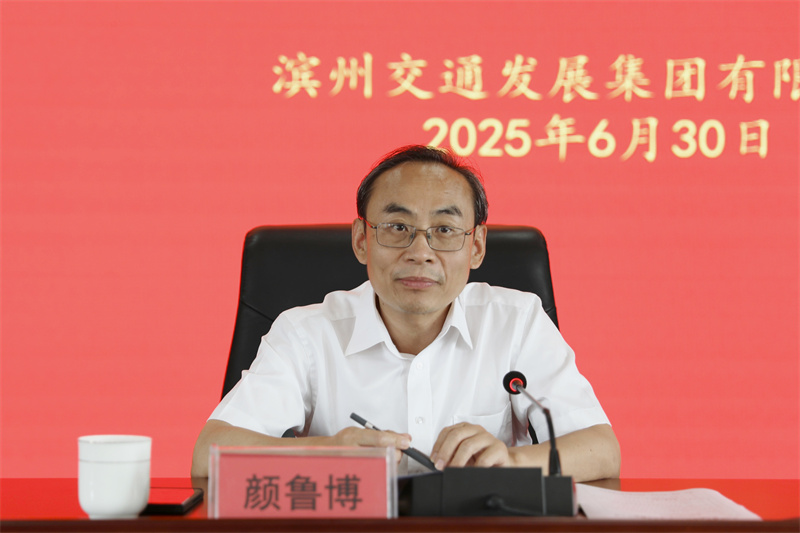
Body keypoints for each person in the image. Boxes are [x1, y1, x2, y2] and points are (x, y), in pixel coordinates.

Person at [191, 145, 620, 481]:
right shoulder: (306, 333)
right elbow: (209, 454)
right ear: (362, 240)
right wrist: (324, 452)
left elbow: (602, 450)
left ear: (476, 247)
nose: (420, 252)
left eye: (444, 230)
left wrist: (511, 461)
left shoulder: (517, 321)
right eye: (397, 228)